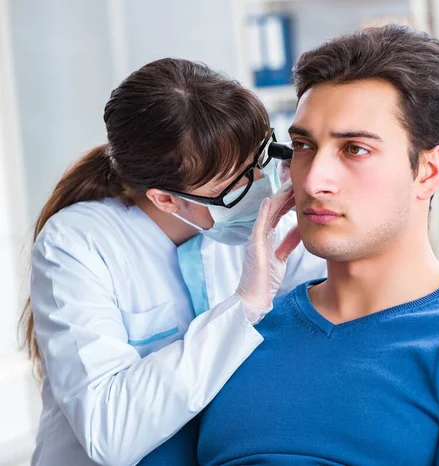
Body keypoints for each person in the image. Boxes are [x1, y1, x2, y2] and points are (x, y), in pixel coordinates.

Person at [177, 25, 439, 465]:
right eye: (303, 146)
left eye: (354, 149)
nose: (313, 181)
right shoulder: (234, 334)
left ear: (427, 171)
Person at [23, 58, 325, 466]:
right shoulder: (77, 243)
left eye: (261, 160)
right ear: (165, 198)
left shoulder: (270, 222)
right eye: (235, 185)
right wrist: (245, 306)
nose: (262, 186)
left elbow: (342, 299)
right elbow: (110, 432)